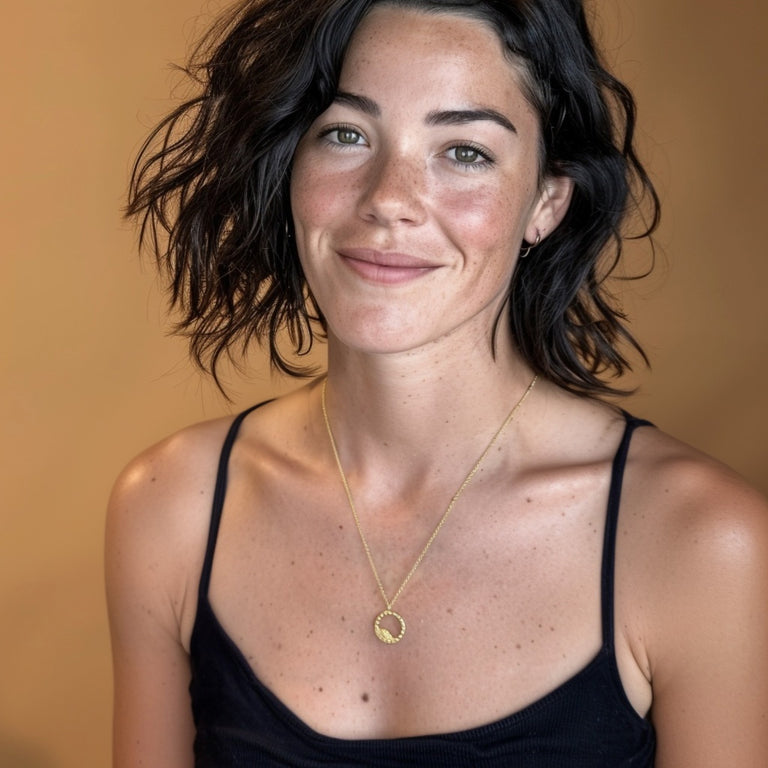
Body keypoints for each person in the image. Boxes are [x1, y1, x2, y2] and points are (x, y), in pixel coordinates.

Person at [106, 0, 768, 765]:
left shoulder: (703, 542)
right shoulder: (169, 509)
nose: (389, 198)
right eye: (347, 135)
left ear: (547, 203)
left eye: (464, 152)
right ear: (291, 165)